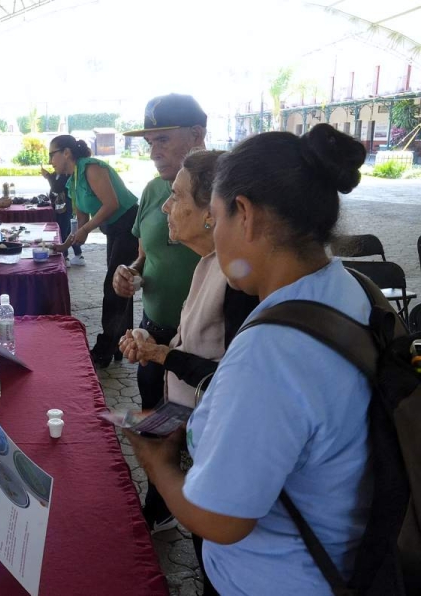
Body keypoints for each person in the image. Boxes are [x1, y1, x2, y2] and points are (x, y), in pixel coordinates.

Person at [124, 124, 372, 595]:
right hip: (339, 557)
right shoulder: (346, 286)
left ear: (244, 214)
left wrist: (157, 462)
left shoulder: (270, 351)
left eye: (215, 218)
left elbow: (222, 520)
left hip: (275, 580)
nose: (215, 238)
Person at [119, 149, 258, 596]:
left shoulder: (239, 281)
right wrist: (157, 347)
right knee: (205, 550)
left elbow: (230, 375)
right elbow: (191, 341)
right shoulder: (206, 265)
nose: (165, 206)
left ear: (210, 214)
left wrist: (164, 355)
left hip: (220, 435)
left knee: (213, 544)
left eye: (177, 196)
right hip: (196, 424)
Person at [113, 93, 207, 532]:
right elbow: (144, 253)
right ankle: (161, 505)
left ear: (197, 136)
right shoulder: (154, 190)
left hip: (199, 341)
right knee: (154, 417)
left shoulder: (222, 194)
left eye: (163, 139)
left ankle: (201, 510)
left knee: (198, 431)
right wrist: (130, 273)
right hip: (152, 331)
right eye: (149, 141)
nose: (154, 150)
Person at [48, 135, 139, 368]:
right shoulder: (72, 181)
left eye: (52, 154)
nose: (50, 161)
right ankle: (120, 344)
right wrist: (64, 246)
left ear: (66, 152)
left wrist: (87, 228)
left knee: (114, 286)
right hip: (113, 230)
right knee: (120, 287)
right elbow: (80, 223)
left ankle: (104, 349)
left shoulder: (91, 168)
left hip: (129, 226)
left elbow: (112, 204)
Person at [40, 166, 84, 265]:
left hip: (66, 205)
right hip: (60, 205)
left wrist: (47, 176)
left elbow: (57, 187)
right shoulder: (57, 173)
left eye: (53, 158)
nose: (52, 162)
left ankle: (65, 257)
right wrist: (49, 175)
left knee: (63, 230)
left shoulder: (66, 173)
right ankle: (78, 255)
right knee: (68, 231)